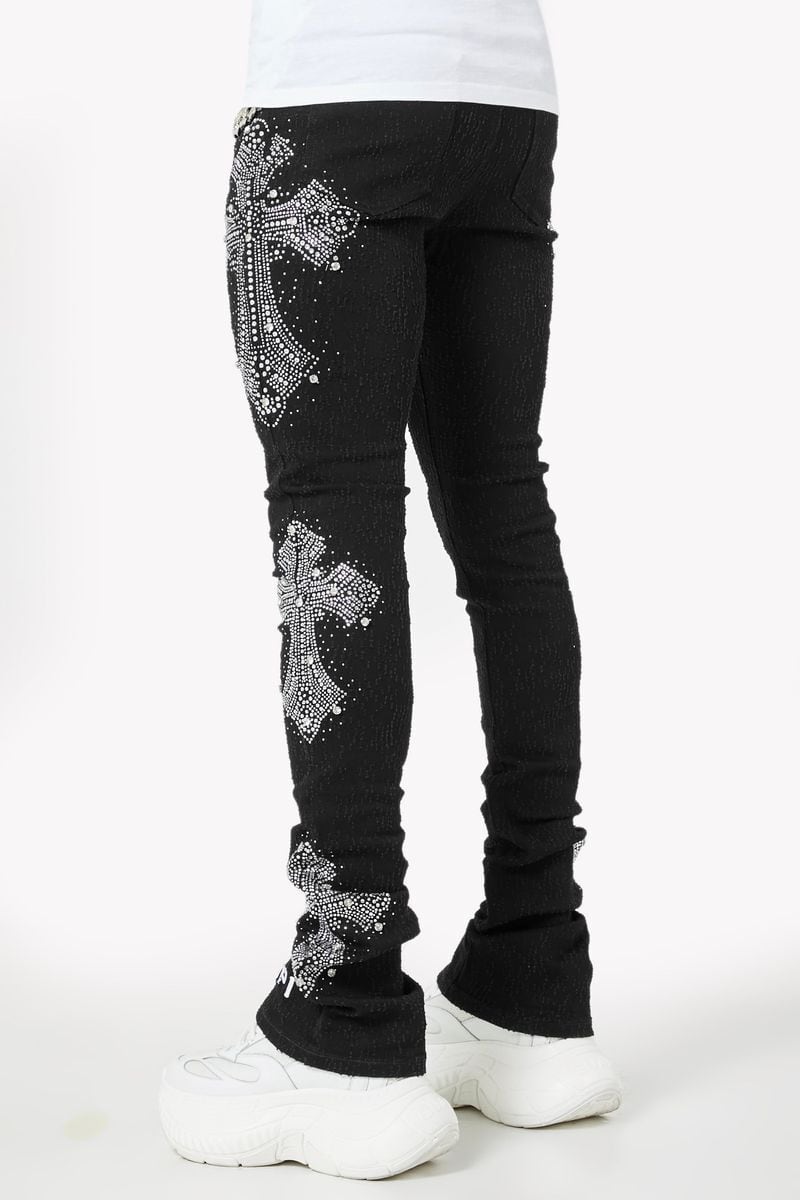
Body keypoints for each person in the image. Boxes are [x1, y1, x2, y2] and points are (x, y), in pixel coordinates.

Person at [159, 0, 623, 1178]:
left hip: (338, 90)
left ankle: (348, 1006)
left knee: (332, 512)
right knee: (503, 510)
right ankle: (529, 973)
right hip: (506, 95)